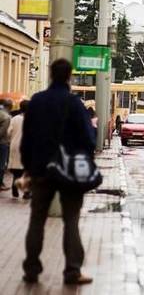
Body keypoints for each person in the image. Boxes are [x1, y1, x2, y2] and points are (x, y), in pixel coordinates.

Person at [20, 58, 96, 286]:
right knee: (71, 220)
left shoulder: (37, 101)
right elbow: (88, 139)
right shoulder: (74, 104)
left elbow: (28, 138)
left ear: (51, 74)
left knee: (37, 219)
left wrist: (29, 168)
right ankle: (73, 271)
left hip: (41, 170)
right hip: (70, 172)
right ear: (70, 77)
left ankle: (32, 269)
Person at [8, 100, 30, 199]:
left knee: (17, 170)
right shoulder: (32, 119)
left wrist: (11, 140)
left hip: (15, 145)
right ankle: (26, 192)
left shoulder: (15, 119)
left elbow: (9, 132)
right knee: (27, 170)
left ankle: (14, 185)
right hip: (27, 146)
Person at [0, 98, 13, 191]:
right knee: (1, 164)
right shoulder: (7, 117)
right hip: (2, 143)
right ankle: (0, 183)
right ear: (10, 107)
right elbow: (3, 132)